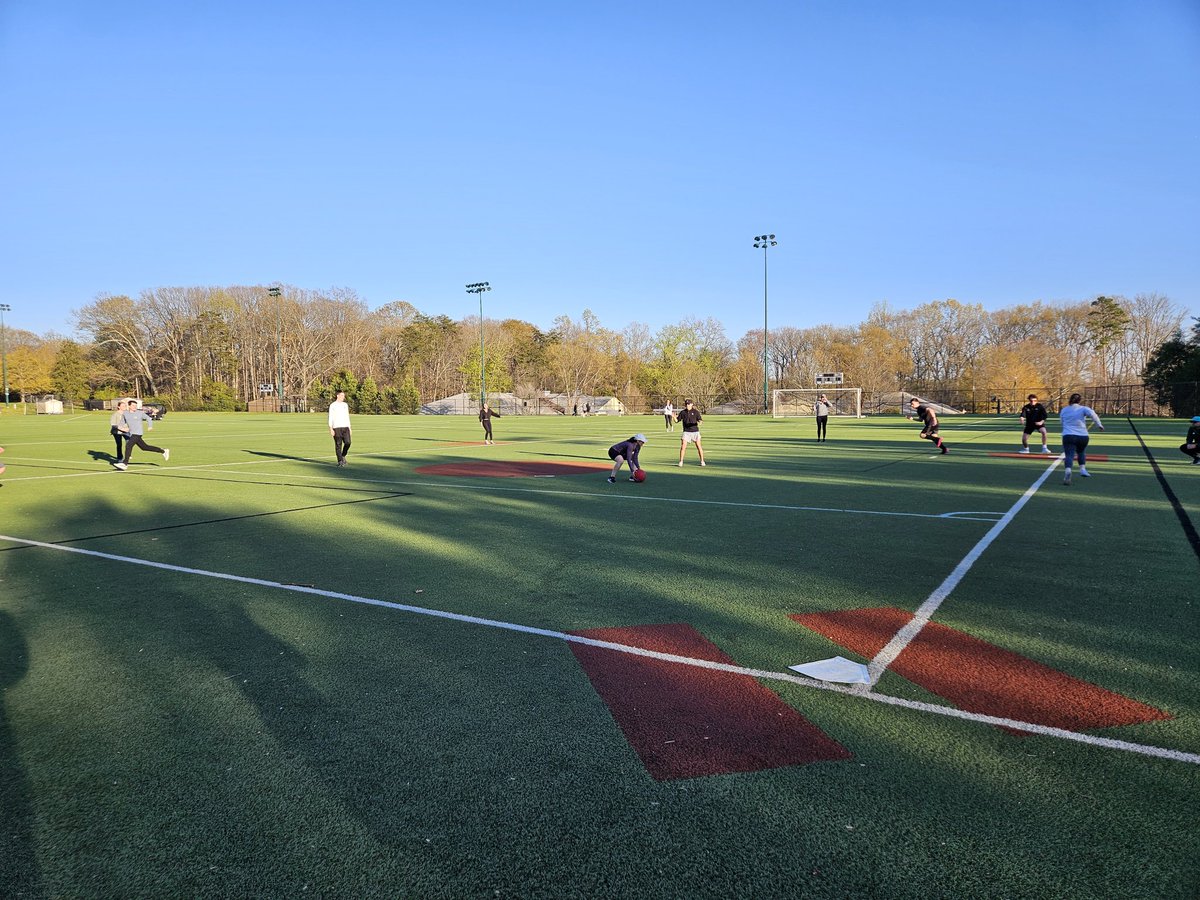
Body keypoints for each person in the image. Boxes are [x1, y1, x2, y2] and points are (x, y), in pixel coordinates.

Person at [1059, 392, 1103, 485]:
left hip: (1068, 435)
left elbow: (1062, 422)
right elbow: (1093, 415)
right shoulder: (1083, 408)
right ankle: (1082, 469)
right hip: (1083, 436)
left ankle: (1068, 471)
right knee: (1081, 452)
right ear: (1079, 401)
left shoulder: (1064, 410)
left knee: (1069, 455)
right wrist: (1099, 425)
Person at [115, 400, 169, 470]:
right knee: (144, 447)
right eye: (133, 405)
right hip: (132, 433)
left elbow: (148, 418)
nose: (135, 407)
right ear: (129, 406)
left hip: (138, 433)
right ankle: (163, 451)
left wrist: (150, 426)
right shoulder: (125, 414)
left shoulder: (139, 413)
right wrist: (120, 428)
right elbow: (121, 423)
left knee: (128, 445)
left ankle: (125, 464)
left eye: (136, 406)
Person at [675, 398, 706, 466]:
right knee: (683, 446)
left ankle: (702, 461)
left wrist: (700, 422)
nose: (687, 405)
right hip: (686, 432)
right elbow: (677, 420)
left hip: (695, 432)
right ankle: (681, 461)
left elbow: (700, 420)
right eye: (686, 404)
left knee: (699, 446)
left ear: (692, 404)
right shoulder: (683, 412)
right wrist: (673, 417)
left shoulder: (696, 412)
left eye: (689, 404)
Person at [328, 390, 352, 467]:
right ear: (337, 396)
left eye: (343, 396)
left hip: (345, 427)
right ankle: (340, 461)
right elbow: (330, 417)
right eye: (342, 396)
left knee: (348, 442)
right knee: (338, 445)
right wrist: (331, 428)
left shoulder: (345, 405)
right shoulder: (333, 405)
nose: (343, 397)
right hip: (336, 427)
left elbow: (347, 416)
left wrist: (350, 427)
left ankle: (343, 455)